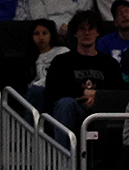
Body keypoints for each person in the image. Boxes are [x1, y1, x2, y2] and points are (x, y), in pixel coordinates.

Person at [44, 10, 120, 142]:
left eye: (91, 28)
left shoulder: (109, 63)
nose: (87, 33)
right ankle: (64, 158)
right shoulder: (61, 61)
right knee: (64, 104)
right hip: (73, 108)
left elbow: (118, 91)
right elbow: (52, 90)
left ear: (97, 32)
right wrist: (83, 94)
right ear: (75, 32)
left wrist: (97, 96)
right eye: (82, 29)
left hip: (101, 110)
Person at [25, 19, 69, 112]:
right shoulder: (30, 57)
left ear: (51, 35)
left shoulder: (62, 52)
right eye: (36, 34)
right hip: (37, 96)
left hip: (57, 94)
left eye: (44, 33)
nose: (41, 37)